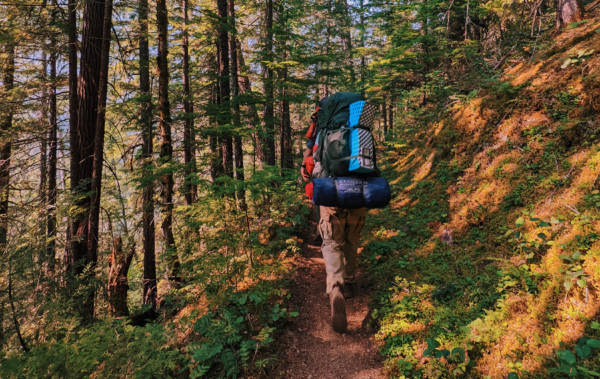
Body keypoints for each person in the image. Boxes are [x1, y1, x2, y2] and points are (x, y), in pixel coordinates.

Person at [300, 98, 367, 333]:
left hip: (331, 192)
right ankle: (349, 282)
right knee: (351, 238)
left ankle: (336, 285)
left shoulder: (322, 130)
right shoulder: (360, 130)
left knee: (330, 241)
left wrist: (304, 168)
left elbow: (311, 160)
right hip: (358, 192)